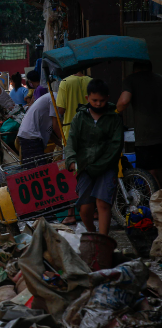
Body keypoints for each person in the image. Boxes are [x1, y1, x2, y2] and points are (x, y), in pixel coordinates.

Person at [66, 79, 123, 236]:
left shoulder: (114, 118)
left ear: (108, 98)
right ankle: (92, 234)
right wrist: (71, 160)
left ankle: (103, 239)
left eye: (102, 100)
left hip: (107, 167)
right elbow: (71, 141)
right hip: (84, 167)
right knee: (84, 207)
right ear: (87, 98)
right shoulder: (79, 118)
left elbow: (115, 147)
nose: (98, 104)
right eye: (94, 100)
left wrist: (99, 166)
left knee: (103, 203)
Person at [117, 61, 162, 184]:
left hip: (146, 136)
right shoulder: (159, 79)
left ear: (134, 69)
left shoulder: (131, 79)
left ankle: (156, 202)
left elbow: (124, 101)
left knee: (149, 174)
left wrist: (113, 112)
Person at [57, 71, 92, 225]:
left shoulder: (65, 83)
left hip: (70, 134)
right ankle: (95, 211)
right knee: (92, 172)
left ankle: (71, 213)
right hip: (91, 132)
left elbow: (60, 110)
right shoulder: (92, 81)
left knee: (70, 174)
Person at [17, 93, 62, 168]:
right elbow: (55, 126)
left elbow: (49, 131)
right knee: (39, 170)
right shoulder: (55, 99)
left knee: (31, 168)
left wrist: (61, 144)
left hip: (28, 135)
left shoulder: (51, 98)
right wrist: (66, 142)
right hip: (31, 137)